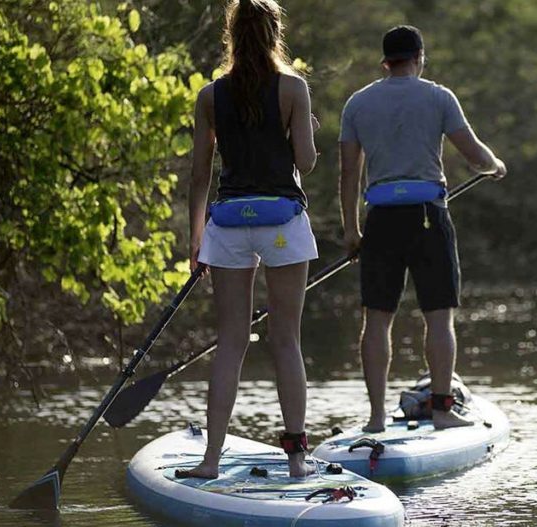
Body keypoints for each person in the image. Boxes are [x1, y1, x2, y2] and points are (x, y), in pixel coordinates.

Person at [338, 25, 507, 432]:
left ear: (385, 62)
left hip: (379, 219)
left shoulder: (357, 103)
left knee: (376, 320)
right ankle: (442, 411)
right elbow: (474, 155)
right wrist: (495, 165)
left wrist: (351, 231)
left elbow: (347, 176)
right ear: (419, 58)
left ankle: (377, 417)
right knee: (438, 318)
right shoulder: (438, 96)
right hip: (428, 216)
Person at [183, 0, 319, 478]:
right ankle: (298, 459)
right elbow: (306, 164)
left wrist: (195, 238)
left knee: (231, 341)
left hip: (228, 225)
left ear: (232, 35)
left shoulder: (208, 96)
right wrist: (306, 128)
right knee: (286, 339)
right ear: (274, 33)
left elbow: (200, 174)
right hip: (281, 221)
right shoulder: (293, 89)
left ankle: (210, 459)